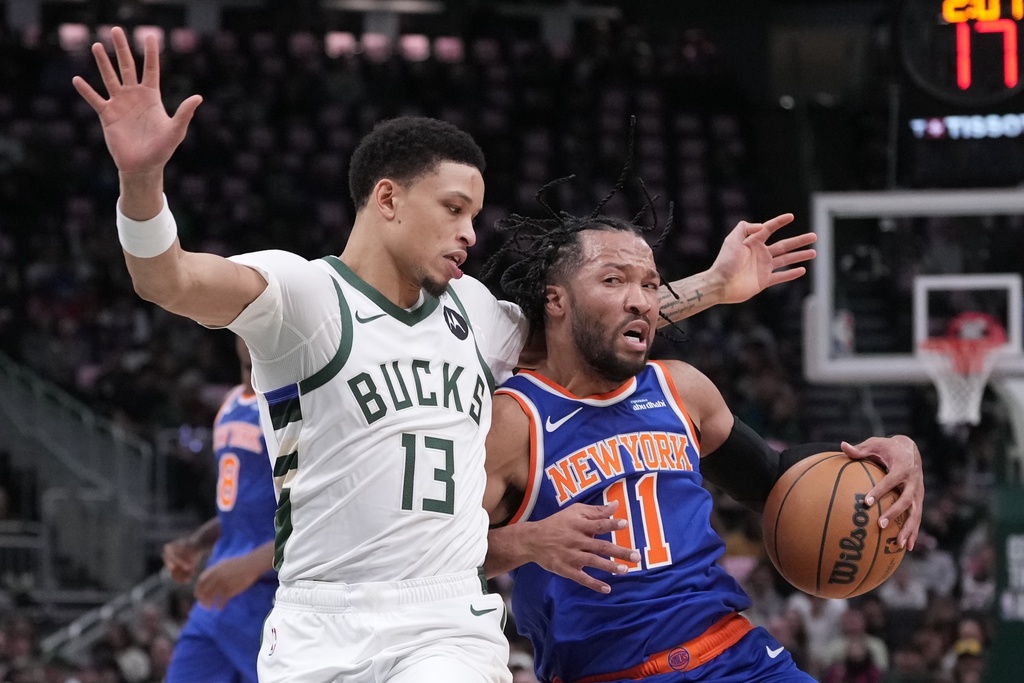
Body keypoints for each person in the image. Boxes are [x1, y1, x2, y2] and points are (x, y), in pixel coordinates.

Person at [73, 27, 818, 682]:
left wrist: (714, 286)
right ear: (388, 199)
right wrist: (141, 181)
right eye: (454, 209)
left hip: (442, 618)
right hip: (315, 616)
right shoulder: (301, 295)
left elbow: (592, 321)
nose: (471, 231)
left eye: (476, 213)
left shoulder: (474, 314)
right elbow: (164, 277)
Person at [482, 214, 925, 683]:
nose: (640, 301)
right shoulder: (512, 421)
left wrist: (886, 457)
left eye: (651, 286)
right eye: (613, 280)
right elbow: (430, 561)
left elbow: (774, 480)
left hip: (737, 659)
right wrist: (525, 542)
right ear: (556, 300)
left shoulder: (680, 389)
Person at [161, 336, 277, 683]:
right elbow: (237, 508)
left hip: (271, 596)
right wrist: (196, 543)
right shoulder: (229, 404)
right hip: (220, 594)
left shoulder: (296, 401)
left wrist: (252, 564)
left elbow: (320, 514)